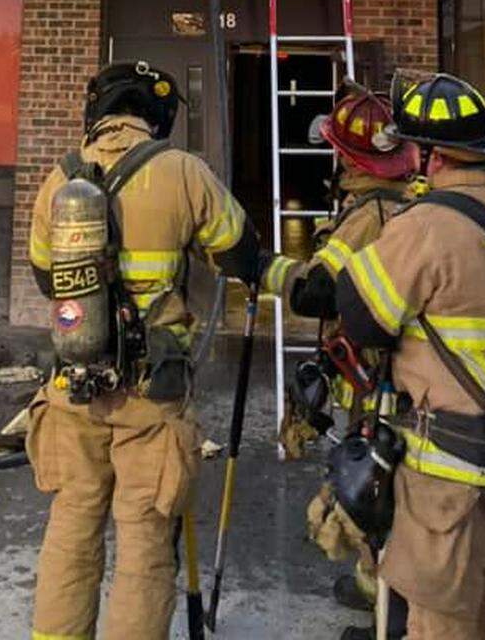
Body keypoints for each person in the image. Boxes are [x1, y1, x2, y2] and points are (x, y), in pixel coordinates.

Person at [25, 60, 296, 640]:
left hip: (73, 384)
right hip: (153, 391)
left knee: (71, 527)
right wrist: (298, 280)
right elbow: (239, 255)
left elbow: (47, 280)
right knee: (145, 541)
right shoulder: (181, 171)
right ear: (157, 114)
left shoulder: (59, 179)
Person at [303, 71, 485, 640]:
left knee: (441, 618)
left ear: (427, 154)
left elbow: (364, 317)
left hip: (449, 472)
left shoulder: (429, 226)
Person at [289, 83, 416, 640]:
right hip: (400, 371)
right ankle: (373, 583)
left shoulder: (369, 214)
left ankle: (393, 614)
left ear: (348, 158)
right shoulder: (411, 198)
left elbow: (320, 291)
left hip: (377, 374)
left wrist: (272, 272)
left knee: (379, 489)